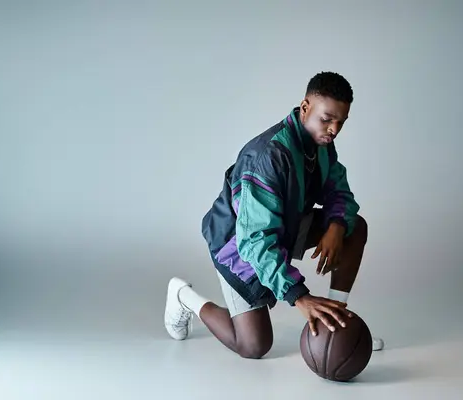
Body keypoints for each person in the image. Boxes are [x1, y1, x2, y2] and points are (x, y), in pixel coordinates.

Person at [164, 71, 384, 359]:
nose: (333, 129)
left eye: (340, 122)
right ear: (305, 108)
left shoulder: (321, 144)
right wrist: (299, 296)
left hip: (284, 227)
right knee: (253, 346)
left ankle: (336, 324)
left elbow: (339, 191)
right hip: (239, 243)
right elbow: (255, 240)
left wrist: (337, 225)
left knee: (355, 228)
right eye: (327, 119)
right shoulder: (267, 157)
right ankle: (184, 297)